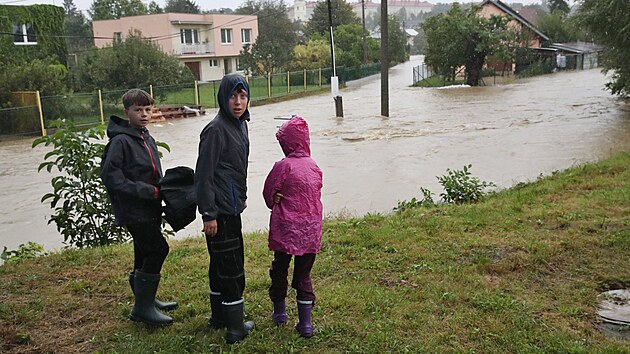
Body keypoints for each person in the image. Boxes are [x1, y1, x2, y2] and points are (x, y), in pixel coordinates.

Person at [100, 89, 176, 327]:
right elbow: (111, 176)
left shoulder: (145, 136)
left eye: (147, 109)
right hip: (134, 208)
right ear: (126, 112)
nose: (144, 114)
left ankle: (147, 299)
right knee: (157, 249)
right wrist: (146, 191)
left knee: (143, 252)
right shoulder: (120, 141)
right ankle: (142, 308)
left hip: (150, 207)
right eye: (138, 110)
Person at [194, 73, 254, 344]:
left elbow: (236, 168)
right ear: (222, 98)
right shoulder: (216, 129)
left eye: (242, 96)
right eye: (233, 96)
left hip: (232, 205)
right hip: (219, 212)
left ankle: (220, 317)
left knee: (220, 263)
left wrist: (241, 195)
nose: (238, 102)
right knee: (231, 267)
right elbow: (203, 175)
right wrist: (209, 214)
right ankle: (235, 327)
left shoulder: (240, 124)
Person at [262, 116, 323, 338]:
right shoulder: (314, 166)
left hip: (286, 229)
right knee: (303, 274)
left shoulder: (283, 166)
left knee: (280, 268)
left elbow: (269, 196)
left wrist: (277, 198)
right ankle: (305, 324)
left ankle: (279, 313)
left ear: (285, 143)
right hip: (310, 230)